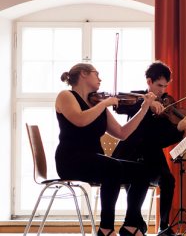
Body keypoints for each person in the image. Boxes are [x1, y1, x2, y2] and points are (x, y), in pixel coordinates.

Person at [55, 63, 158, 236]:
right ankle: (106, 229)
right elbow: (79, 120)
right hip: (71, 160)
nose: (100, 78)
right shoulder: (66, 96)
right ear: (83, 74)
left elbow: (122, 133)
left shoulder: (96, 102)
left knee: (142, 171)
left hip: (95, 160)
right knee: (113, 167)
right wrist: (105, 104)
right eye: (97, 74)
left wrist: (144, 108)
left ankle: (131, 225)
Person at [112, 61, 186, 236]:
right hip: (130, 154)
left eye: (165, 86)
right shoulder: (136, 97)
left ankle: (163, 226)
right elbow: (118, 104)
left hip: (152, 156)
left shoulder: (166, 105)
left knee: (168, 180)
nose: (162, 90)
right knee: (134, 178)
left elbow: (161, 140)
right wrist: (146, 104)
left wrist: (178, 129)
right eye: (159, 85)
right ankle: (135, 223)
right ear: (149, 82)